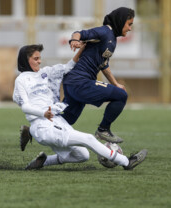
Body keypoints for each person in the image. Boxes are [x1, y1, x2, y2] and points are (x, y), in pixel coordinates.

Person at [13, 44, 147, 170]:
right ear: (26, 60)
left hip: (57, 121)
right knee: (88, 138)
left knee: (83, 155)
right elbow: (25, 107)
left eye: (40, 58)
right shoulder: (21, 80)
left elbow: (68, 67)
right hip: (43, 125)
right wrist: (43, 113)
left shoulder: (46, 73)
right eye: (35, 59)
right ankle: (126, 162)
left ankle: (44, 161)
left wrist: (82, 49)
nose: (39, 61)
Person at [61, 7, 135, 144]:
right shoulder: (105, 31)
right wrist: (74, 40)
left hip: (72, 83)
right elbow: (79, 33)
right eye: (129, 24)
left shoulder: (112, 39)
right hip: (80, 82)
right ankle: (103, 129)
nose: (130, 28)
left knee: (65, 121)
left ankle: (31, 130)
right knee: (121, 96)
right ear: (121, 21)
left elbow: (103, 65)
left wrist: (116, 84)